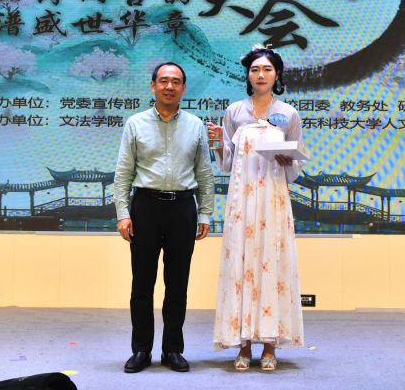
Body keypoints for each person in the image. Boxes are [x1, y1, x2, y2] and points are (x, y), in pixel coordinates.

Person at [207, 45, 305, 371]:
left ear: (277, 75)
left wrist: (288, 160)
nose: (260, 75)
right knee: (241, 262)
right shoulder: (234, 111)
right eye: (254, 70)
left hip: (273, 198)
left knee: (271, 262)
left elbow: (296, 163)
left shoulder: (289, 113)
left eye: (267, 69)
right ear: (248, 75)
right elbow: (227, 163)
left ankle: (270, 345)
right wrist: (218, 140)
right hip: (242, 200)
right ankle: (243, 345)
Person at [114, 62, 215, 373]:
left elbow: (204, 173)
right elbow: (123, 172)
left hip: (183, 209)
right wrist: (123, 213)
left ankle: (172, 349)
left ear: (184, 88)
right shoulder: (135, 123)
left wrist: (205, 212)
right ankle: (141, 350)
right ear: (153, 85)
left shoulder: (196, 125)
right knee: (142, 284)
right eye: (163, 81)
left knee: (177, 284)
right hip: (145, 207)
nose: (169, 86)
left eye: (176, 82)